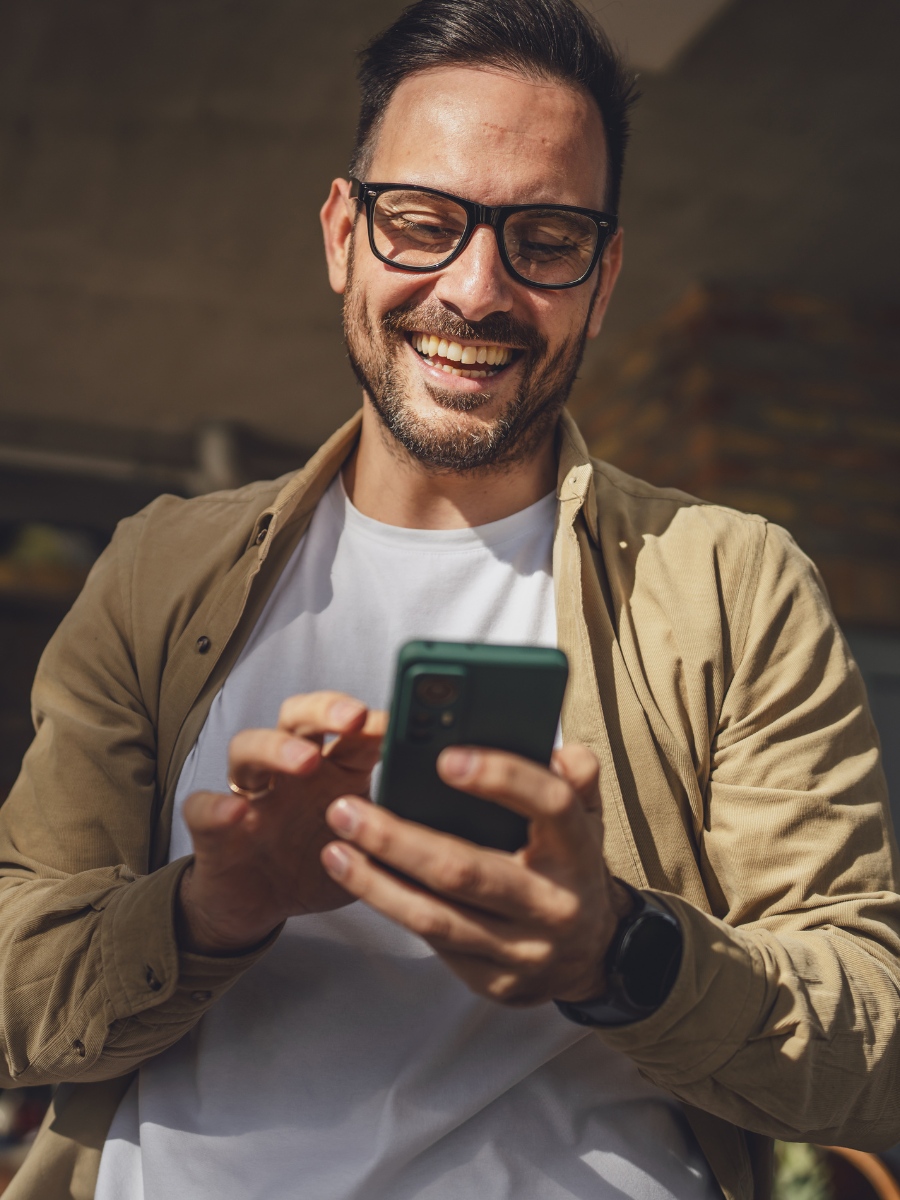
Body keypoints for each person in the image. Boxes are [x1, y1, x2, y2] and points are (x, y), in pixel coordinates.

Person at [1, 1, 898, 1197]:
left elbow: (874, 1041)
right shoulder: (156, 568)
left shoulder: (733, 581)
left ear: (605, 272)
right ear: (341, 233)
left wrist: (618, 951)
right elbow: (18, 979)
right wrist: (209, 910)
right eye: (423, 222)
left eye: (546, 237)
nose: (475, 290)